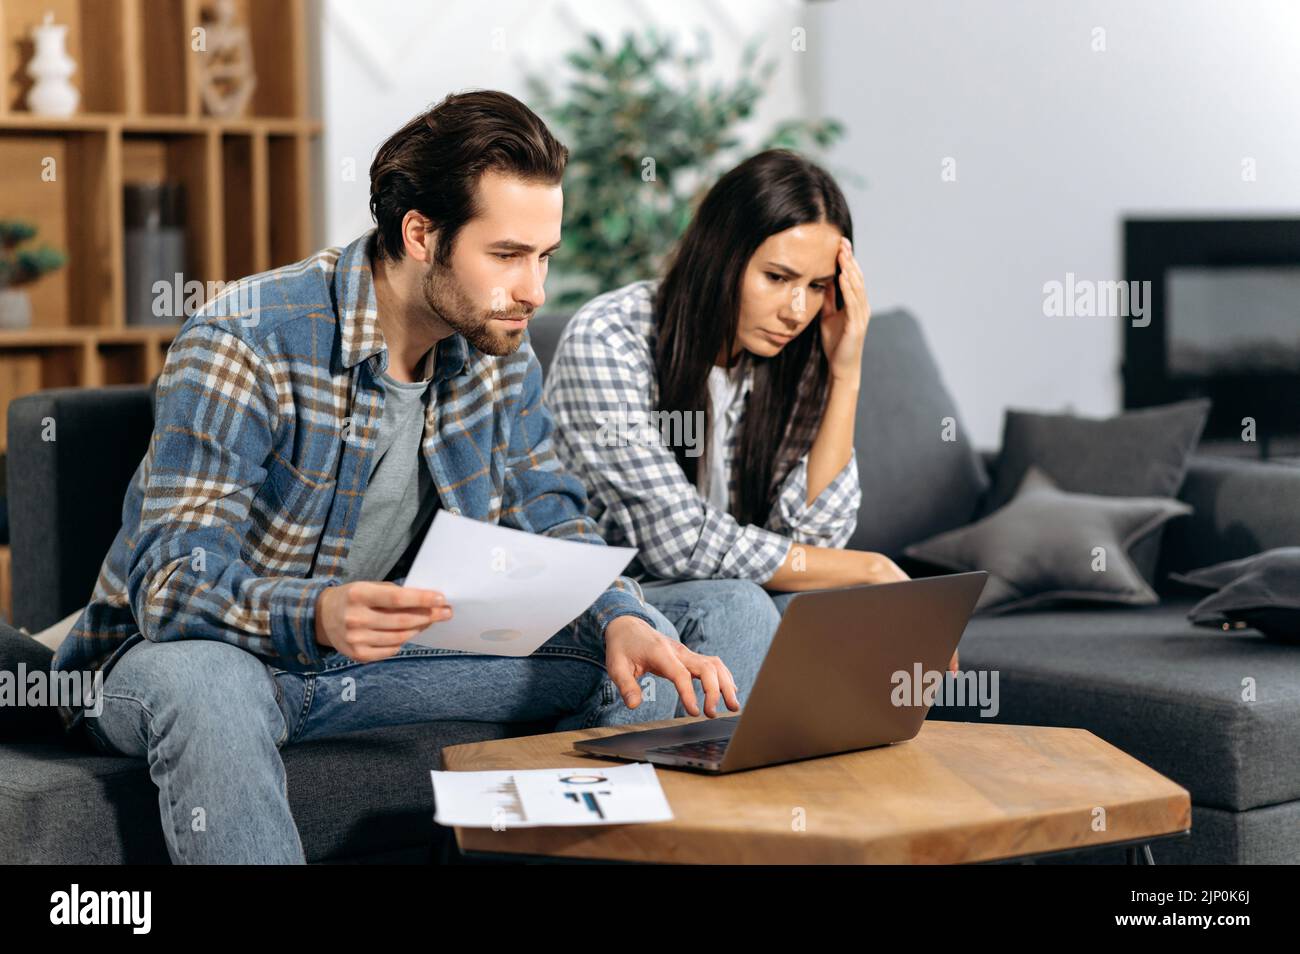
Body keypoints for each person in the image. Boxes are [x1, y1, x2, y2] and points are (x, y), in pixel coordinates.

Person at [50, 91, 768, 864]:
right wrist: (317, 613)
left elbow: (552, 517)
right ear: (421, 234)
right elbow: (169, 585)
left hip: (378, 661)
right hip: (213, 660)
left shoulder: (497, 347)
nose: (535, 290)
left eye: (545, 257)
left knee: (705, 617)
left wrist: (622, 618)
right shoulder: (244, 338)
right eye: (507, 256)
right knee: (213, 686)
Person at [545, 149, 957, 671]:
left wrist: (844, 372)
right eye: (778, 278)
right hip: (612, 601)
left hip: (716, 588)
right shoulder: (609, 339)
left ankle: (839, 754)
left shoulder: (792, 352)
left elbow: (813, 542)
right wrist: (873, 567)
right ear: (721, 255)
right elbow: (680, 544)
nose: (797, 311)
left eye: (816, 287)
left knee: (833, 607)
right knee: (740, 607)